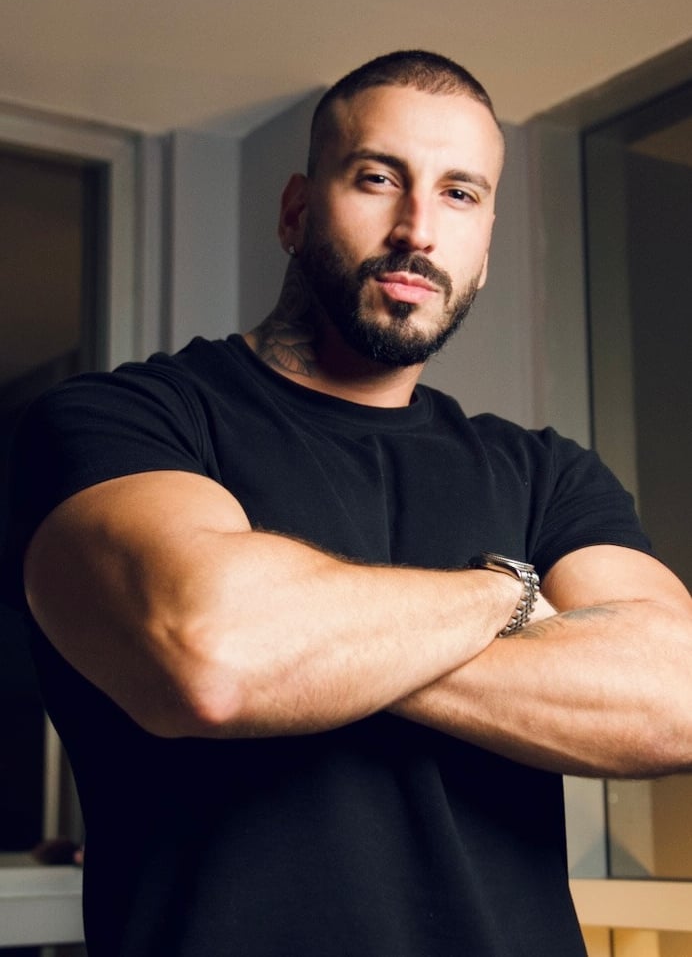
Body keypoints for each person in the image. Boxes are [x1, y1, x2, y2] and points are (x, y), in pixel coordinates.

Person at [3, 49, 691, 956]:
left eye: (460, 194)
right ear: (296, 210)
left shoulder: (546, 473)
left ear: (483, 253)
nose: (418, 228)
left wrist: (318, 651)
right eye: (378, 178)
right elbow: (212, 654)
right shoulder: (122, 419)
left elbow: (675, 696)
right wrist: (511, 596)